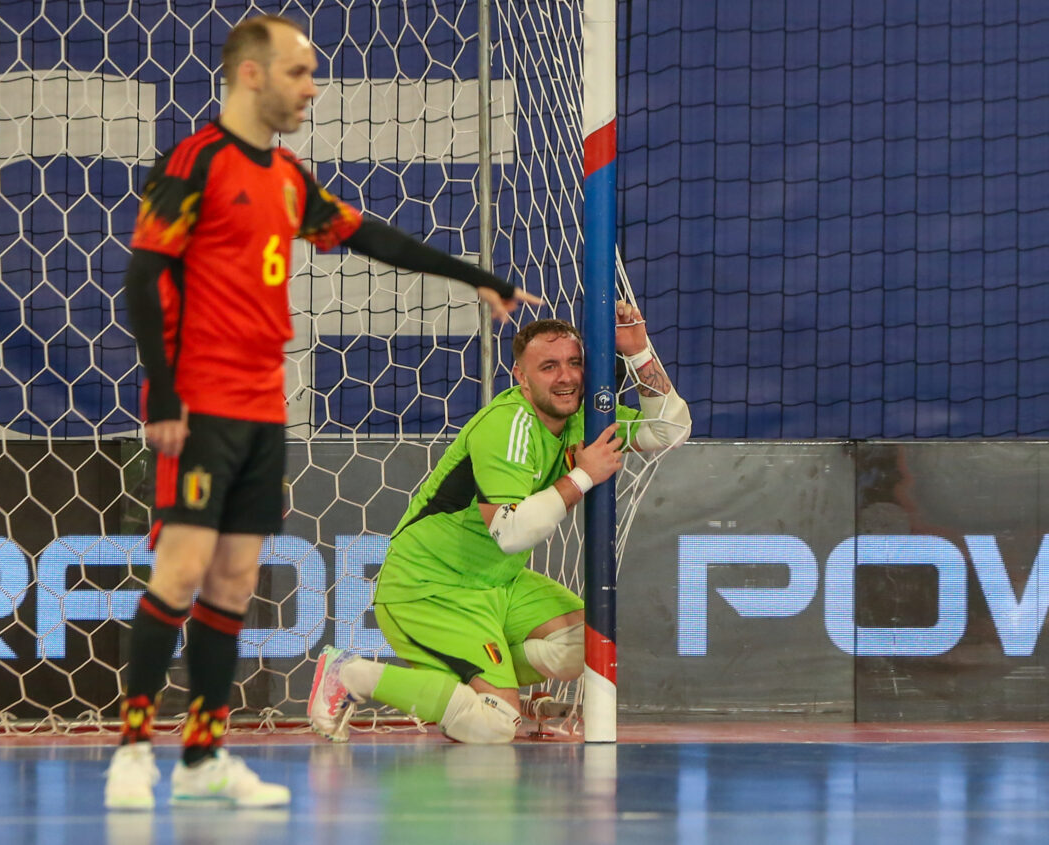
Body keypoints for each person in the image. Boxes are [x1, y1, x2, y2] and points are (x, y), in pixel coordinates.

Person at [106, 14, 539, 810]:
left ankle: (203, 755)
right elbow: (143, 276)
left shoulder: (287, 177)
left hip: (264, 408)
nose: (312, 87)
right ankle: (135, 747)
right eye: (300, 72)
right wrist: (162, 393)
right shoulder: (194, 163)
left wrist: (472, 273)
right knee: (182, 570)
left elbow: (366, 235)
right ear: (251, 75)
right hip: (199, 402)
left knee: (233, 582)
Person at [308, 300, 691, 744]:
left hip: (498, 585)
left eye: (573, 363)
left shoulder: (580, 417)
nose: (566, 377)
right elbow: (511, 533)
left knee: (589, 643)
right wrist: (583, 475)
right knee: (494, 726)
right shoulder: (508, 425)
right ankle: (349, 673)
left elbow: (670, 430)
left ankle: (484, 688)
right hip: (432, 588)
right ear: (521, 380)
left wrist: (640, 351)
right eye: (548, 367)